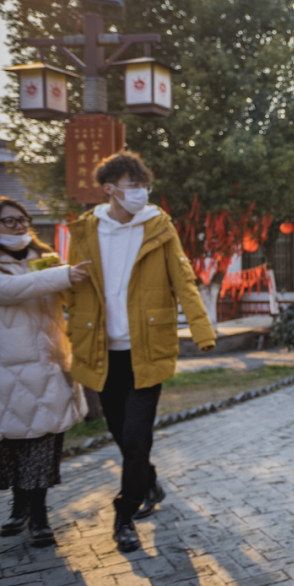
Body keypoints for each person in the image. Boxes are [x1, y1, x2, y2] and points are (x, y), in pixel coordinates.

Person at [65, 151, 216, 553]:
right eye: (133, 185)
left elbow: (183, 280)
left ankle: (124, 514)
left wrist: (202, 330)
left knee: (136, 437)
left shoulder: (158, 227)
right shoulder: (84, 230)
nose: (141, 193)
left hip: (146, 348)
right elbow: (73, 284)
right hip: (101, 349)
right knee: (121, 434)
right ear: (110, 189)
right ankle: (147, 482)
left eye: (143, 185)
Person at [0, 197, 92, 547]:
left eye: (22, 220)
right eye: (8, 221)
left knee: (44, 444)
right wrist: (60, 274)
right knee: (15, 443)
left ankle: (39, 515)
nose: (18, 227)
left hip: (49, 365)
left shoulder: (42, 258)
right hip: (5, 370)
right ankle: (19, 507)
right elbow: (10, 291)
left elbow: (64, 292)